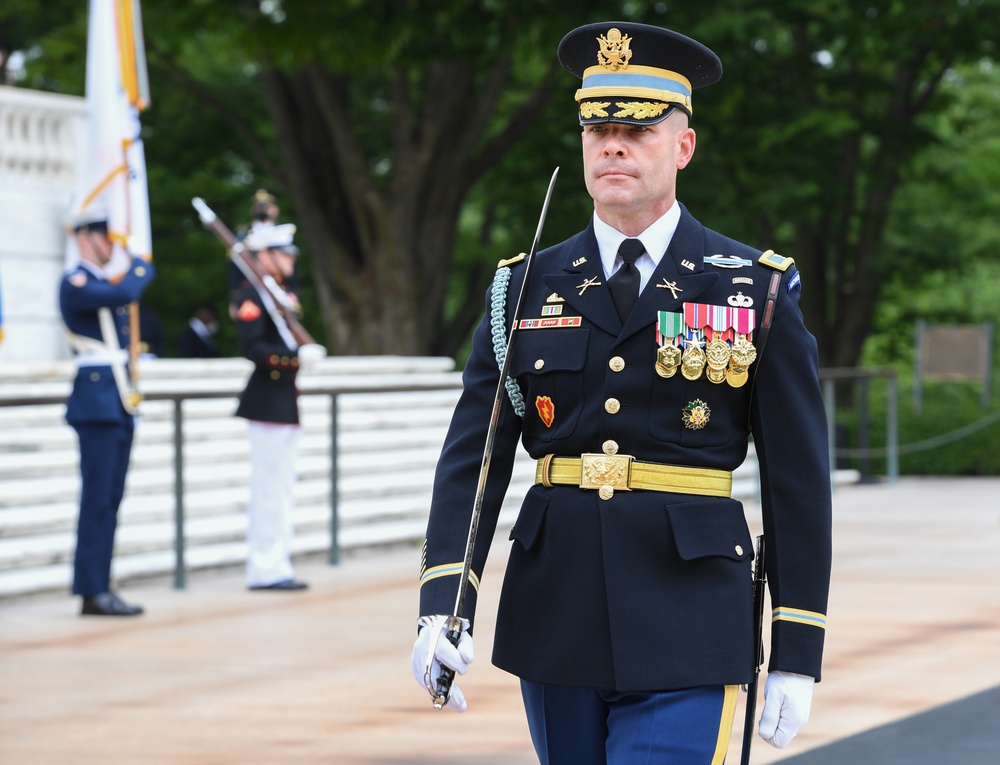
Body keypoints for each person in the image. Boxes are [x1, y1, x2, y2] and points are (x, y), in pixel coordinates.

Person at [411, 21, 832, 764]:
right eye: (599, 127)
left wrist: (798, 646)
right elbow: (473, 460)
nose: (614, 145)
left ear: (683, 146)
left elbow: (799, 482)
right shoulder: (524, 285)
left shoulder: (752, 286)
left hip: (692, 613)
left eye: (638, 129)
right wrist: (444, 604)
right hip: (557, 610)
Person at [59, 207, 156, 616]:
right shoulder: (76, 282)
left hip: (116, 400)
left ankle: (100, 583)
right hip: (97, 402)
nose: (111, 247)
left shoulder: (100, 281)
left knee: (110, 499)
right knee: (97, 500)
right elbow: (124, 293)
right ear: (85, 238)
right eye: (104, 238)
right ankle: (91, 588)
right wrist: (140, 265)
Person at [231, 223, 325, 591]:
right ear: (266, 255)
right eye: (283, 253)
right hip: (266, 401)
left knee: (282, 488)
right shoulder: (251, 296)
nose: (291, 260)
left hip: (283, 402)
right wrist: (296, 358)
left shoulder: (274, 293)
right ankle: (264, 567)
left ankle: (277, 561)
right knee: (269, 489)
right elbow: (254, 350)